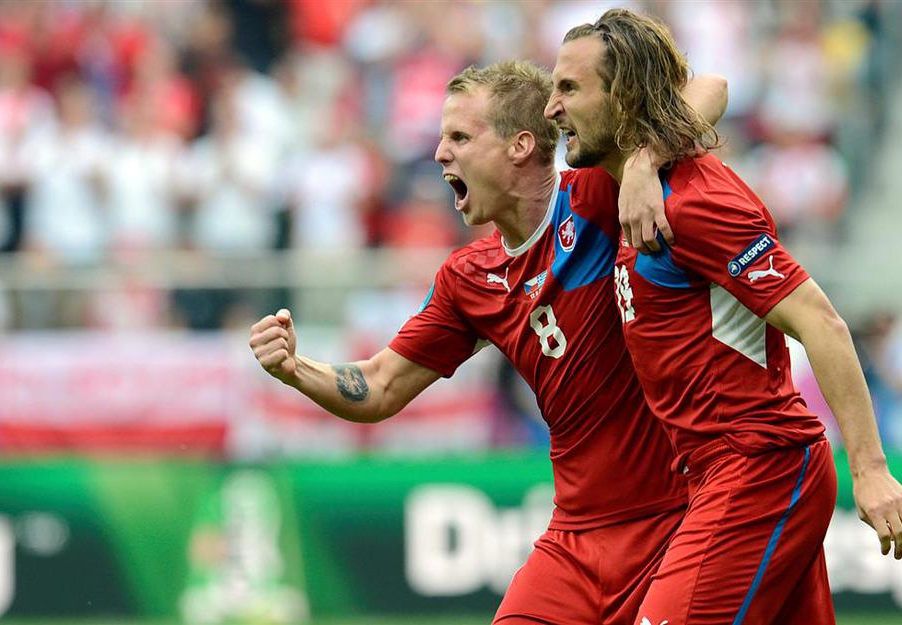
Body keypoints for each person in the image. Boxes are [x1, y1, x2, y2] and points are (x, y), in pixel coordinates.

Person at [250, 61, 727, 624]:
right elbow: (379, 386)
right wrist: (296, 368)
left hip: (680, 520)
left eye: (459, 137)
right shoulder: (469, 280)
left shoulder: (599, 194)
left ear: (520, 146)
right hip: (576, 538)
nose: (439, 154)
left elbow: (711, 88)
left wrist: (644, 162)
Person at [543, 9, 902, 625]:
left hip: (758, 467)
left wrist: (871, 470)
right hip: (719, 472)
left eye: (569, 88)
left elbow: (821, 322)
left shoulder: (693, 204)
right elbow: (710, 87)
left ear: (623, 97)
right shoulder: (622, 190)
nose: (551, 108)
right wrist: (641, 160)